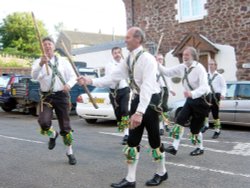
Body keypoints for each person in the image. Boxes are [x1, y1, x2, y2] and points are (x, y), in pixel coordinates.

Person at [77, 27, 168, 187]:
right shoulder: (129, 60)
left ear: (138, 39)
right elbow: (113, 77)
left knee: (155, 141)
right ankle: (130, 179)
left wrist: (139, 112)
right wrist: (90, 81)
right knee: (132, 140)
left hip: (151, 102)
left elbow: (147, 86)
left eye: (128, 37)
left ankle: (162, 172)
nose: (125, 40)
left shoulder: (148, 59)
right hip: (137, 99)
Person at [31, 37, 77, 165]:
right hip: (46, 96)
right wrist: (41, 64)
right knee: (43, 121)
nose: (47, 46)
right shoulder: (37, 62)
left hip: (61, 95)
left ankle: (70, 152)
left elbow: (73, 76)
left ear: (53, 46)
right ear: (42, 47)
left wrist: (69, 84)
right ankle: (53, 135)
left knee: (65, 126)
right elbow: (34, 77)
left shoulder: (63, 61)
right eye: (44, 44)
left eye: (49, 44)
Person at [159, 46, 210, 156]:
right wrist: (157, 64)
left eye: (187, 55)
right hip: (190, 99)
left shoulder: (199, 68)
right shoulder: (182, 67)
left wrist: (192, 93)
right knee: (180, 120)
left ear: (193, 56)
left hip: (202, 101)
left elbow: (205, 87)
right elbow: (167, 72)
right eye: (183, 55)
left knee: (195, 129)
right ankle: (174, 147)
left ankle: (199, 148)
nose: (184, 57)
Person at [106, 47, 130, 145]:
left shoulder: (126, 63)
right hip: (113, 92)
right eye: (115, 53)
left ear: (121, 53)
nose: (117, 54)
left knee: (125, 110)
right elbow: (110, 77)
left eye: (119, 52)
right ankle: (123, 128)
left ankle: (126, 134)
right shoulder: (109, 65)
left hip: (124, 90)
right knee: (118, 113)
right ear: (112, 55)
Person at [201, 59, 226, 139]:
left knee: (215, 114)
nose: (210, 66)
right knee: (205, 111)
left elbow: (224, 86)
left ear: (215, 66)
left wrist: (223, 94)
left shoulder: (219, 76)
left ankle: (217, 130)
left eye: (212, 64)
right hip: (208, 95)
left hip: (216, 96)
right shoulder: (206, 75)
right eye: (209, 64)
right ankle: (206, 125)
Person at [155, 53, 176, 136]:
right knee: (159, 108)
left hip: (165, 89)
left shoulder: (165, 69)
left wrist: (171, 90)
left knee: (164, 107)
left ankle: (166, 124)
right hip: (157, 90)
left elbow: (168, 81)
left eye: (161, 59)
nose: (160, 60)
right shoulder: (153, 70)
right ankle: (161, 127)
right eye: (158, 59)